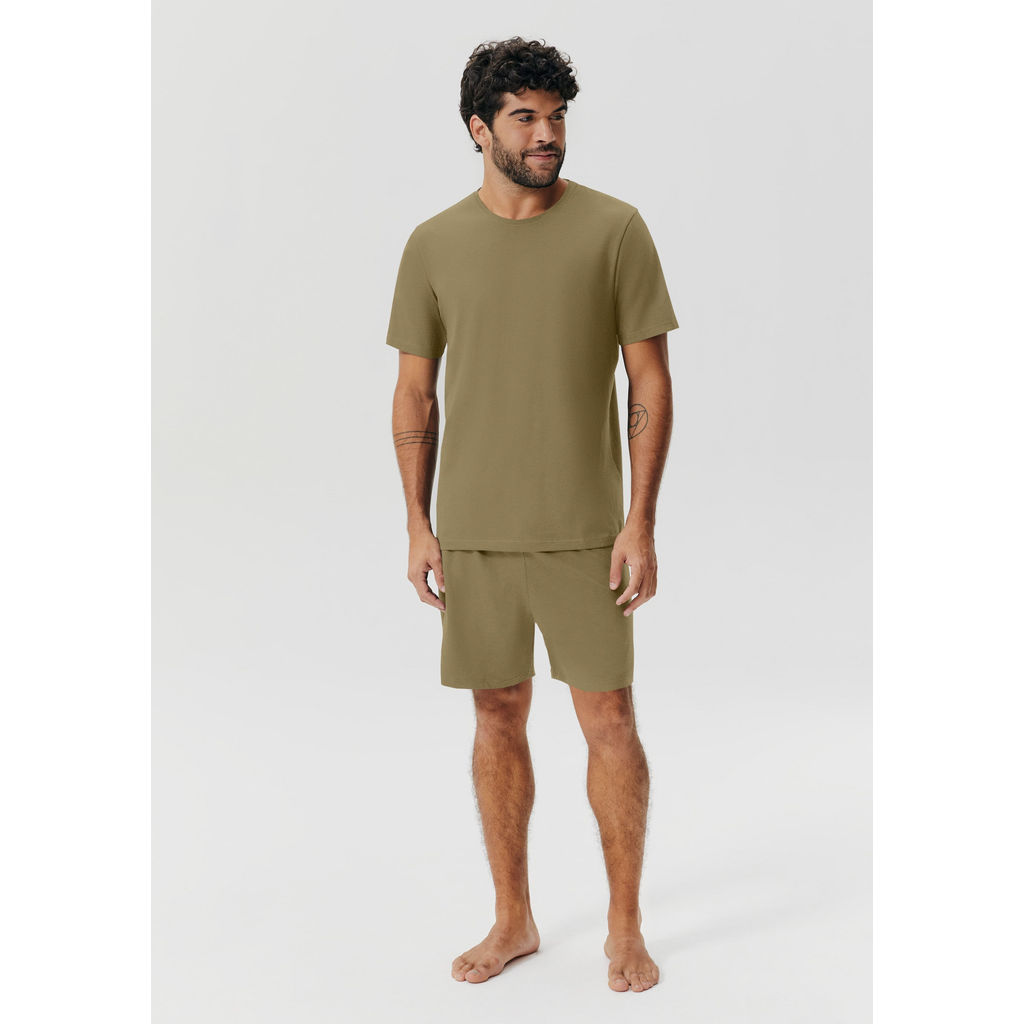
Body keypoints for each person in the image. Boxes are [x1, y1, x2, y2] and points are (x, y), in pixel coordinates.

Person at [386, 37, 678, 994]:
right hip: (474, 532)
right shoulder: (433, 243)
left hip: (589, 532)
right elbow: (415, 394)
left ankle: (625, 927)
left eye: (556, 117)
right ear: (480, 130)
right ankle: (513, 918)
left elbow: (650, 382)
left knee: (610, 720)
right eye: (525, 118)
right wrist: (419, 525)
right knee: (496, 714)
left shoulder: (616, 228)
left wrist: (639, 521)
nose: (547, 134)